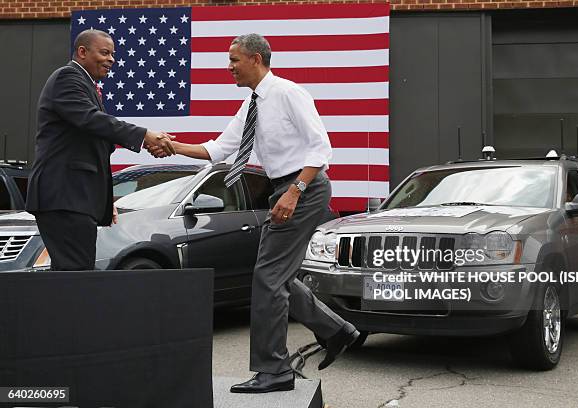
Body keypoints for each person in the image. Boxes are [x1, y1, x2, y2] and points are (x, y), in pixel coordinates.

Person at [148, 33, 360, 393]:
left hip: (303, 188)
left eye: (234, 60)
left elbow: (321, 149)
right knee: (274, 277)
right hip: (285, 188)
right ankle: (335, 330)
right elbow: (218, 150)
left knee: (267, 279)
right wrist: (171, 145)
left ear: (256, 59)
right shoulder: (251, 104)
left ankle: (274, 370)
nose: (229, 67)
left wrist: (295, 191)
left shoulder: (290, 93)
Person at [26, 29, 175, 271]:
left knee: (75, 272)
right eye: (105, 52)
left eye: (113, 54)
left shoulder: (87, 85)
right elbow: (91, 119)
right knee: (76, 274)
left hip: (76, 199)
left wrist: (104, 199)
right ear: (82, 52)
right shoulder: (67, 78)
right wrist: (144, 135)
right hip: (63, 197)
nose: (111, 60)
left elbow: (96, 141)